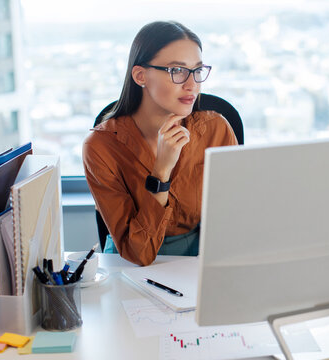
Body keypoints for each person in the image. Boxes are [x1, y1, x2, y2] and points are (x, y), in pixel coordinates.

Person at [82, 21, 238, 266]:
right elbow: (138, 253)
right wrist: (161, 173)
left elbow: (235, 218)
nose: (192, 84)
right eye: (177, 70)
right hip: (130, 262)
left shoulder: (215, 129)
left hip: (199, 256)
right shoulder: (100, 146)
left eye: (197, 71)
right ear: (140, 75)